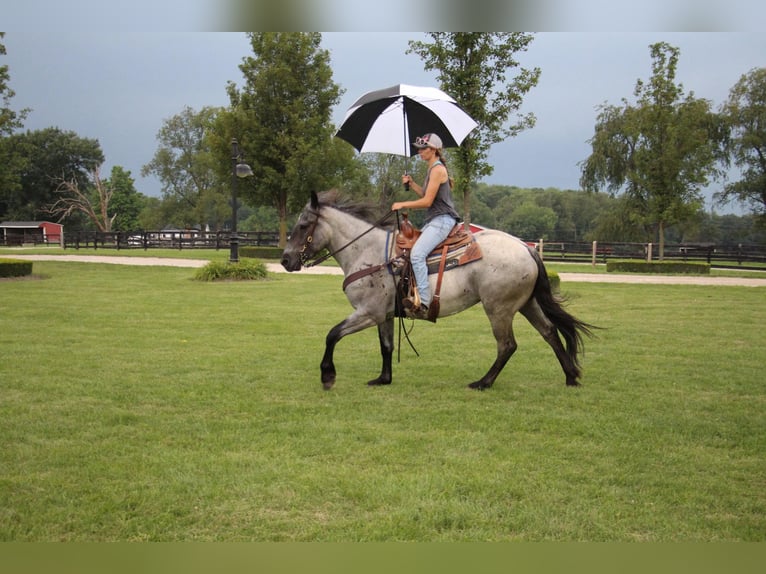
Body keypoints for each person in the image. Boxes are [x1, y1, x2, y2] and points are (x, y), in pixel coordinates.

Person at [392, 133, 461, 319]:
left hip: (442, 220)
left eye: (423, 148)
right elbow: (425, 194)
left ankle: (423, 302)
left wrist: (403, 204)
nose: (420, 152)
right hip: (435, 220)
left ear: (434, 150)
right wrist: (412, 183)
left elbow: (428, 202)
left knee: (417, 254)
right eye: (419, 148)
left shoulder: (437, 170)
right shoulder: (432, 169)